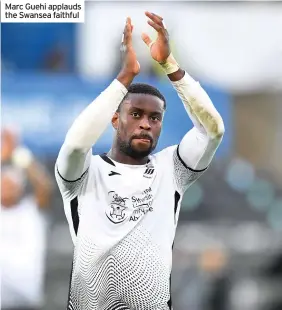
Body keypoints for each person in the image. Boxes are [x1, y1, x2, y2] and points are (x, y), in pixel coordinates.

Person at [55, 12, 225, 310]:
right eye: (136, 115)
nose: (146, 123)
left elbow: (213, 130)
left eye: (155, 118)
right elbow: (75, 144)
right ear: (114, 119)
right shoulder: (85, 172)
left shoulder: (170, 170)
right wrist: (124, 79)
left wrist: (170, 67)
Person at [1, 128, 53, 310]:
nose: (6, 188)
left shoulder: (31, 210)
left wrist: (19, 154)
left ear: (20, 188)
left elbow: (44, 186)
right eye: (3, 184)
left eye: (11, 184)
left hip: (26, 297)